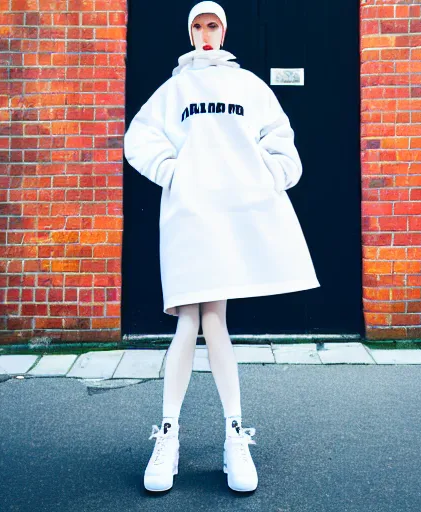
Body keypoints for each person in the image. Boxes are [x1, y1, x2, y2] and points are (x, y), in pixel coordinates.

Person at [124, 0, 320, 493]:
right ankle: (169, 435)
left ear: (224, 30)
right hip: (190, 216)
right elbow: (139, 139)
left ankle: (233, 435)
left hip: (230, 218)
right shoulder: (174, 89)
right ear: (188, 33)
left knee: (212, 320)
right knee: (191, 320)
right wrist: (173, 174)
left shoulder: (247, 85)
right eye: (198, 26)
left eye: (213, 24)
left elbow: (281, 141)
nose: (206, 33)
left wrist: (267, 175)